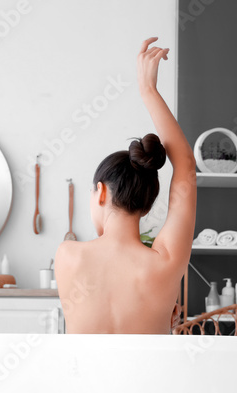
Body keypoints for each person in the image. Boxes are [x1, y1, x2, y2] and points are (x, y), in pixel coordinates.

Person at [55, 37, 196, 334]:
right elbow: (185, 167)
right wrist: (148, 91)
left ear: (102, 192)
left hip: (82, 382)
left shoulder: (68, 256)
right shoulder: (165, 263)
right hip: (150, 382)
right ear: (147, 201)